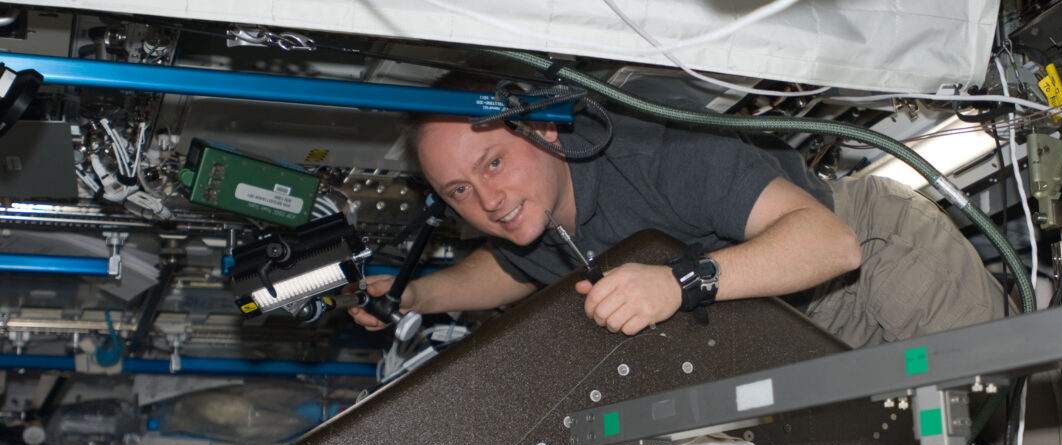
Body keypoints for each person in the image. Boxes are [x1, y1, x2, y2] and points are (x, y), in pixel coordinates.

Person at [349, 96, 1007, 349]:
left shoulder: (655, 151)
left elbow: (830, 245)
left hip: (876, 260)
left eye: (493, 162)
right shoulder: (539, 222)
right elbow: (506, 272)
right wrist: (414, 295)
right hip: (798, 325)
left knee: (1031, 435)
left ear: (546, 128)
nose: (487, 199)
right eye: (459, 190)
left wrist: (675, 286)